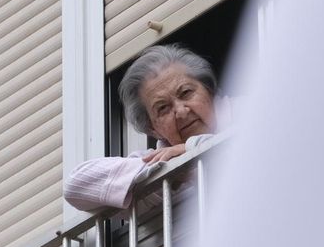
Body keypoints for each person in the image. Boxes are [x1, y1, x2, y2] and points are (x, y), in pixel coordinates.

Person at [65, 44, 222, 214]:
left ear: (210, 92)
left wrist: (193, 151)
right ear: (153, 129)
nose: (181, 112)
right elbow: (76, 186)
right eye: (163, 108)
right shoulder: (158, 159)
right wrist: (173, 168)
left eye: (186, 93)